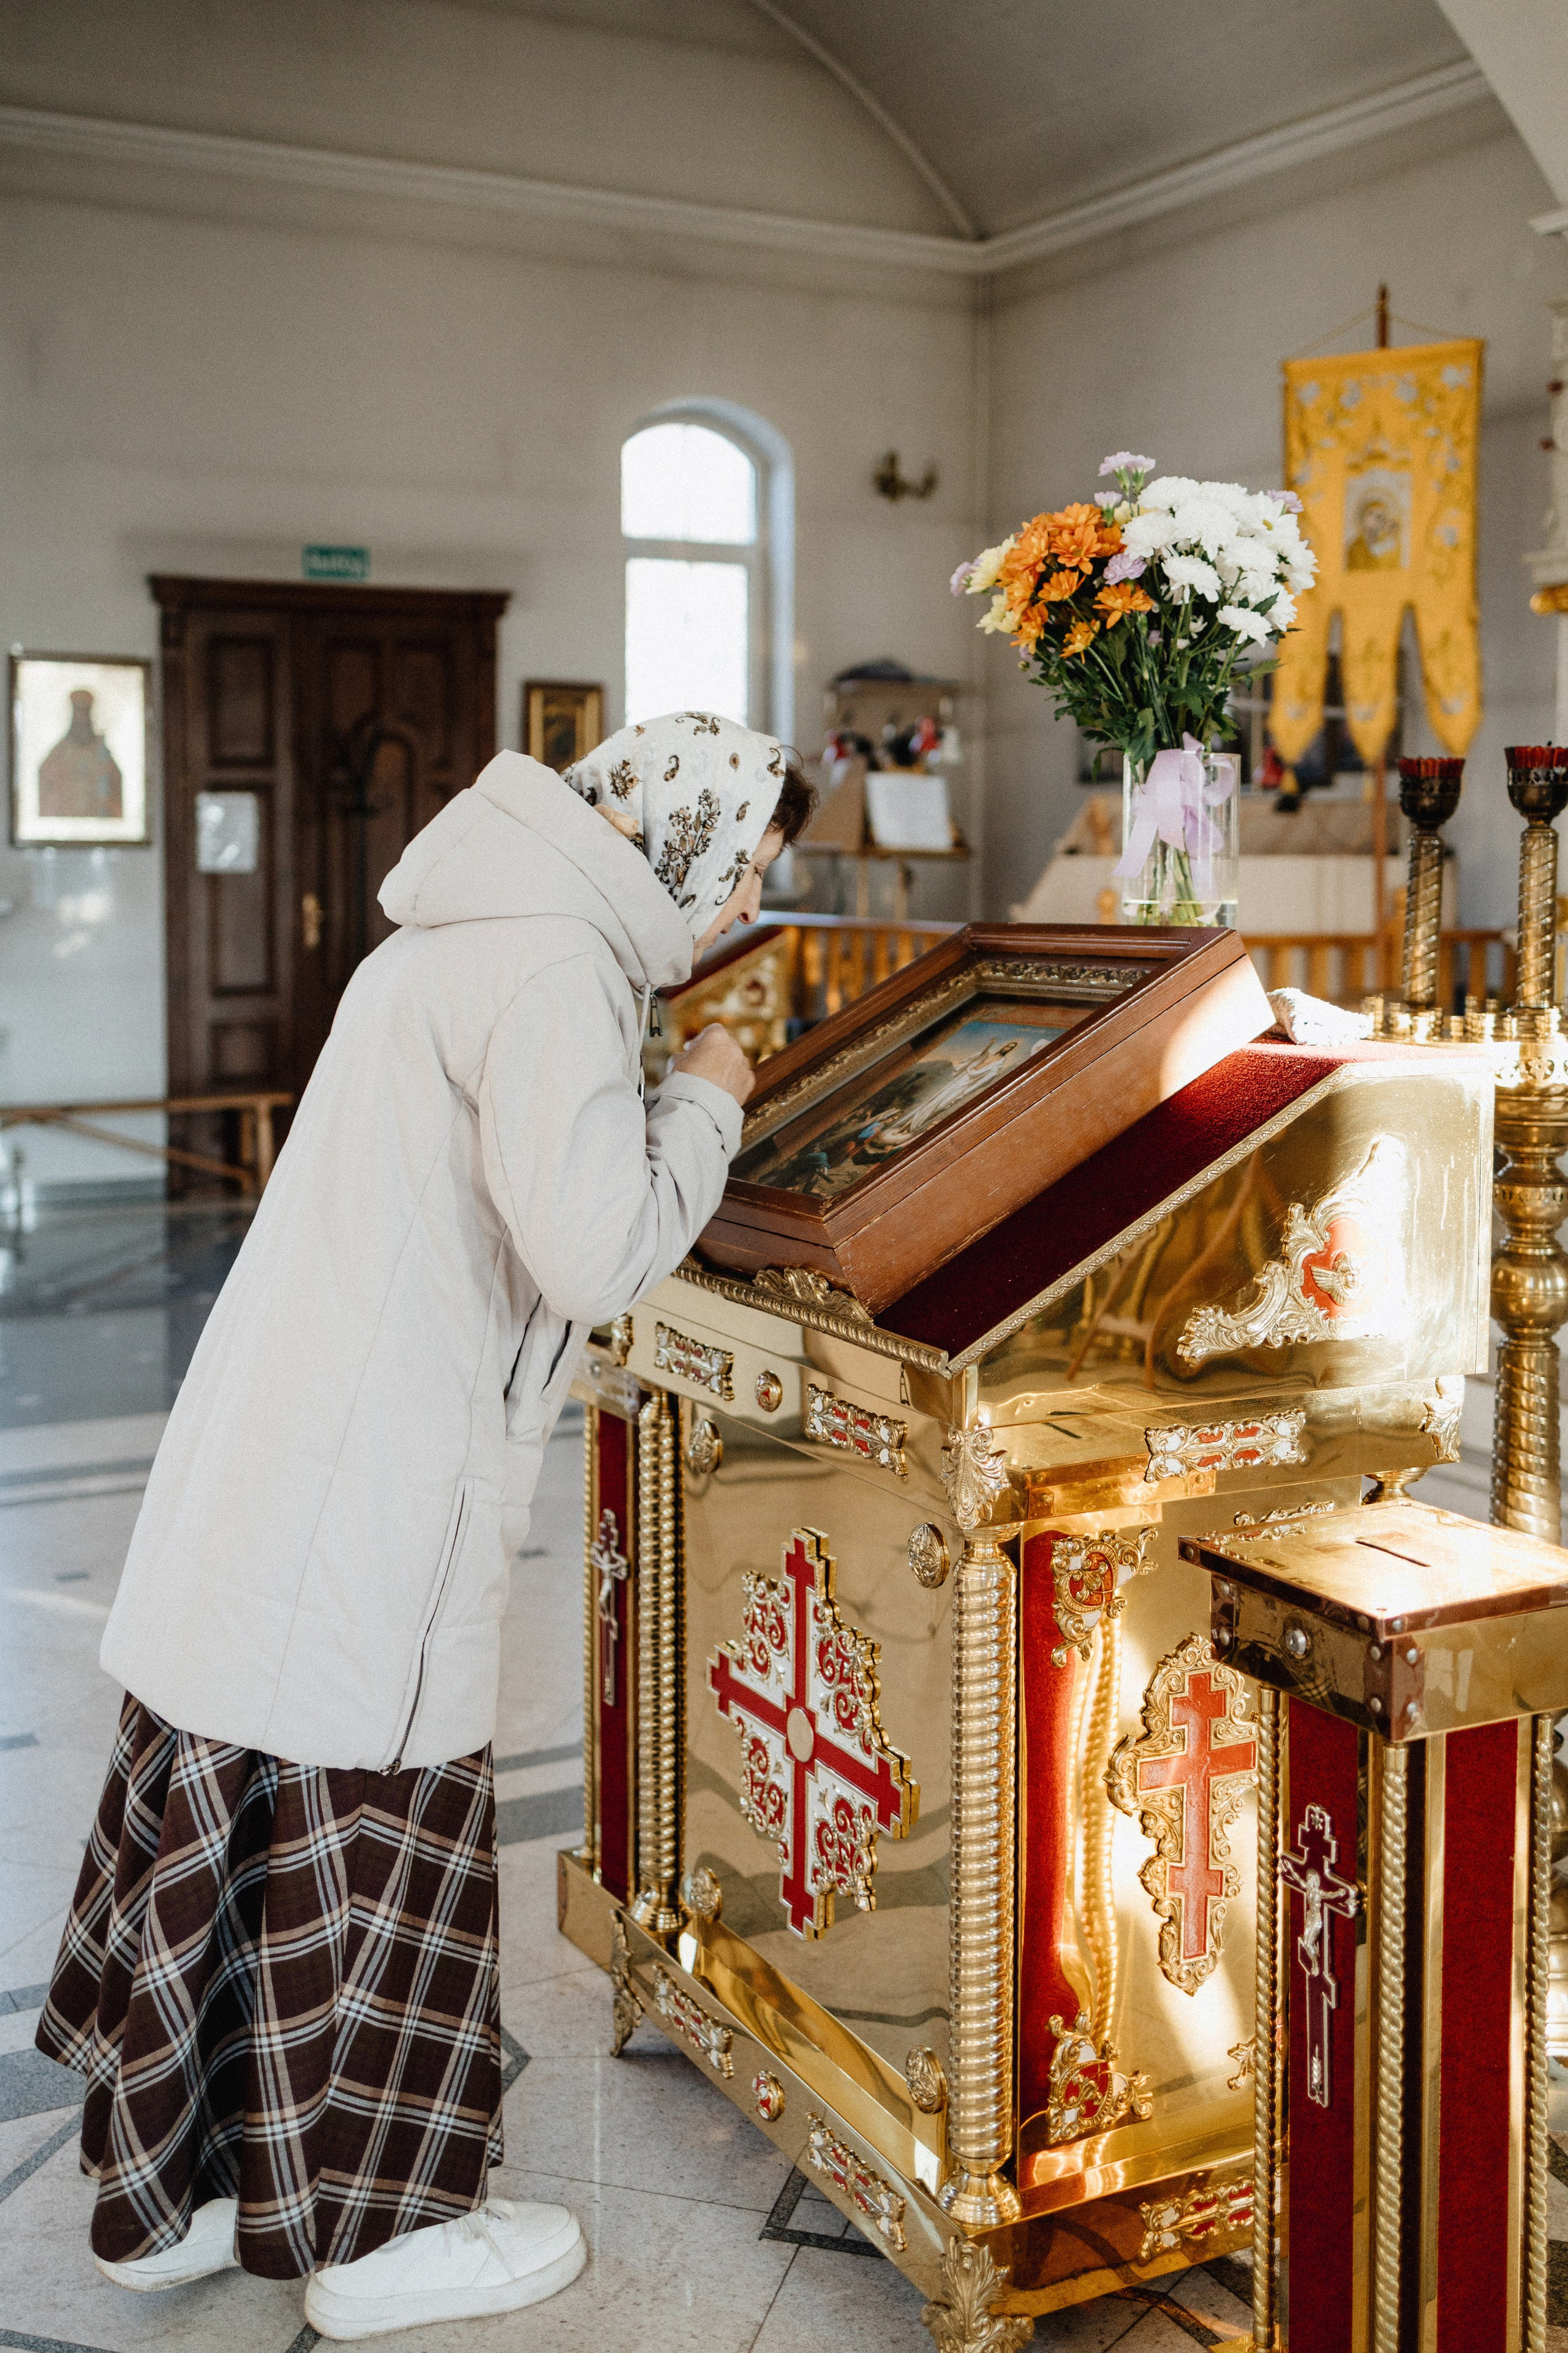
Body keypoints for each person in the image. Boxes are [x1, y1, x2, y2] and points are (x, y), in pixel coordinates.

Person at [36, 712, 815, 2341]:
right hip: (363, 1475)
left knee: (229, 1786)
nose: (752, 890)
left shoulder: (473, 920)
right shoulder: (549, 965)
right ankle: (376, 2233)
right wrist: (720, 1092)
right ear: (677, 844)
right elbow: (600, 1249)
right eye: (748, 858)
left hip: (282, 1452)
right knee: (366, 1808)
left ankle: (168, 2194)